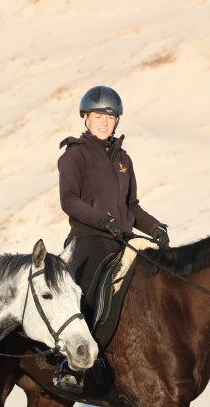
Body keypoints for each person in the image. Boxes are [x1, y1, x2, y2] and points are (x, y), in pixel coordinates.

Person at [54, 85, 170, 390]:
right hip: (89, 239)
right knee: (88, 289)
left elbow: (132, 206)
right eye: (98, 116)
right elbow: (69, 200)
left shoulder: (124, 160)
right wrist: (103, 220)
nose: (105, 122)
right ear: (85, 117)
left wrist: (155, 227)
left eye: (111, 117)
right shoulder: (74, 155)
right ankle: (71, 362)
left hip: (123, 239)